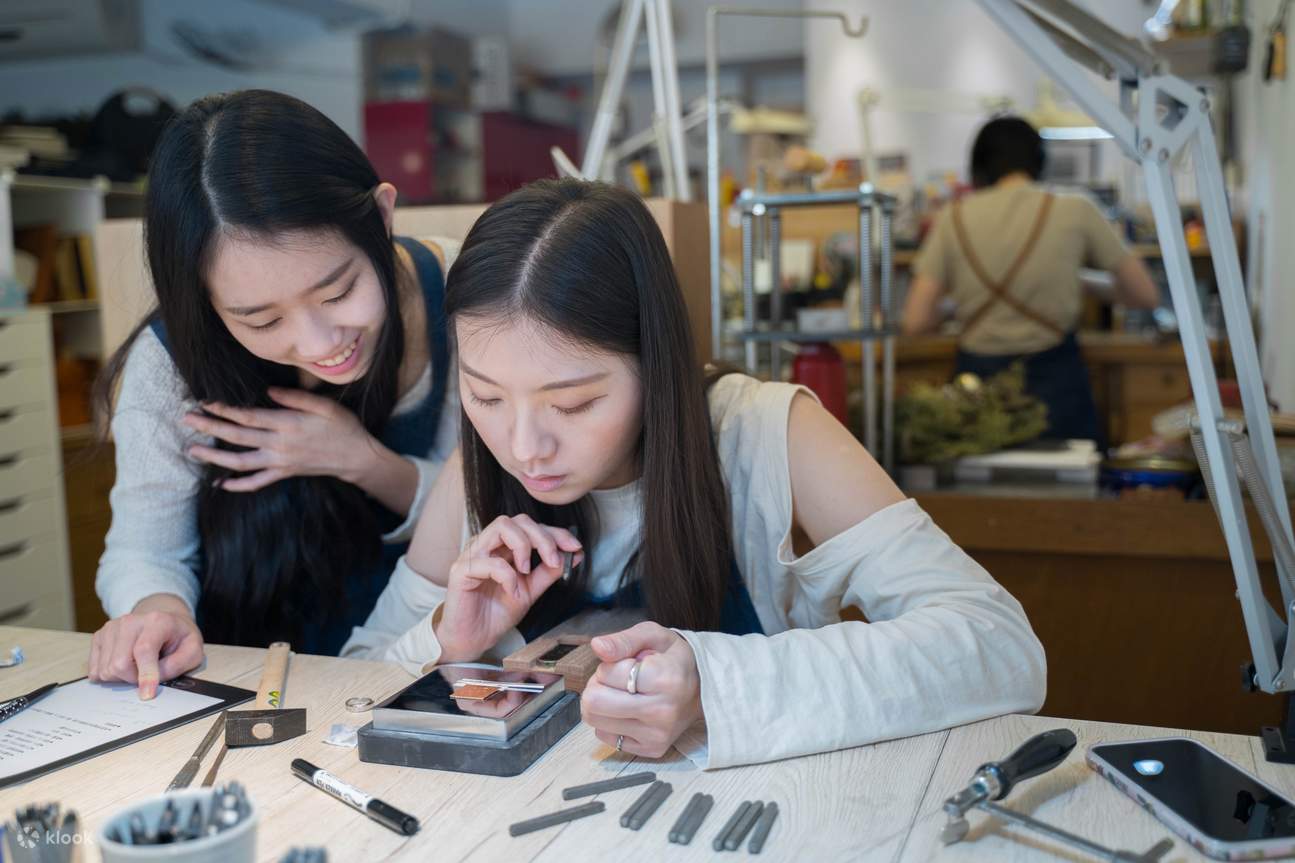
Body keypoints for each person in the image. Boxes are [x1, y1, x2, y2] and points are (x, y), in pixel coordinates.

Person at [342, 179, 1046, 769]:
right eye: (486, 395)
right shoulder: (475, 469)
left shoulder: (768, 431)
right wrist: (449, 641)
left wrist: (713, 684)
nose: (523, 447)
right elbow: (353, 677)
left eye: (574, 401)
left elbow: (996, 644)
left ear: (657, 363)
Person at [88, 90, 460, 698]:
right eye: (261, 321)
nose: (319, 343)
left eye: (338, 292)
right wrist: (159, 612)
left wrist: (360, 460)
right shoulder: (171, 357)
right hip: (245, 678)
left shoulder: (464, 300)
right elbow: (142, 547)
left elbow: (488, 514)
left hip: (422, 664)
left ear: (384, 217)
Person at [903, 116, 1160, 444]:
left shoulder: (952, 218)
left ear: (979, 164)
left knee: (981, 488)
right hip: (1056, 384)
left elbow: (915, 321)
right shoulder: (1076, 209)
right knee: (1067, 487)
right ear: (1040, 161)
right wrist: (1083, 281)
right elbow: (1145, 294)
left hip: (979, 387)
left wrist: (959, 304)